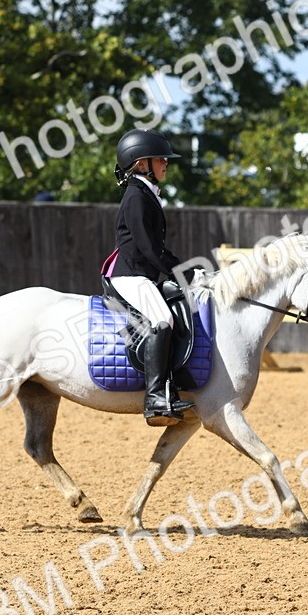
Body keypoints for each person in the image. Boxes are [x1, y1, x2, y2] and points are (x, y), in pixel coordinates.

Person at [101, 128, 195, 426]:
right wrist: (181, 272)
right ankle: (155, 397)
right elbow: (149, 248)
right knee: (162, 320)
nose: (166, 164)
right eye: (161, 159)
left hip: (141, 273)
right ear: (142, 164)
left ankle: (169, 384)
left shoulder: (145, 193)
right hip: (130, 277)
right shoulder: (136, 197)